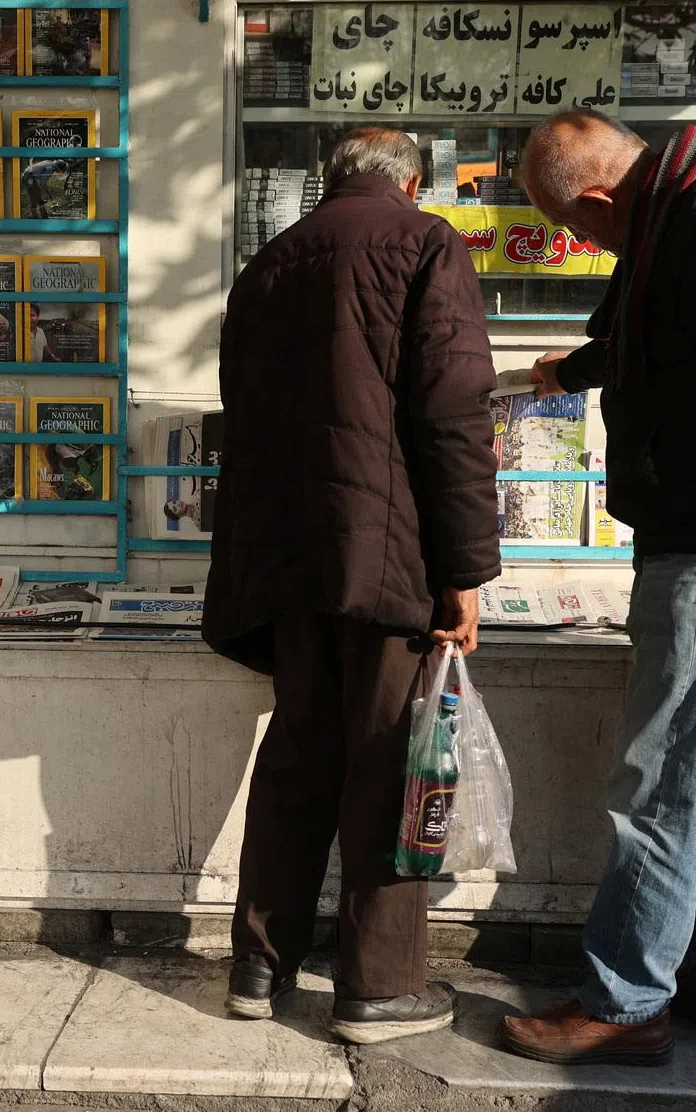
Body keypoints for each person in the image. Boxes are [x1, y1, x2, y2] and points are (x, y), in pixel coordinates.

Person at [202, 127, 501, 1045]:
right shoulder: (426, 242)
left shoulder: (269, 263)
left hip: (290, 558)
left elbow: (244, 417)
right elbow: (453, 411)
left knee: (298, 753)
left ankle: (258, 965)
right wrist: (466, 570)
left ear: (332, 181)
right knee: (391, 762)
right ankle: (377, 988)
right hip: (389, 555)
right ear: (413, 181)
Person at [499, 110, 696, 1067]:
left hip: (695, 543)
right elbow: (655, 343)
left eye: (577, 228)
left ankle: (627, 1002)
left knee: (662, 780)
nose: (587, 246)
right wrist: (571, 370)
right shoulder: (669, 209)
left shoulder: (685, 222)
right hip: (682, 531)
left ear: (599, 199)